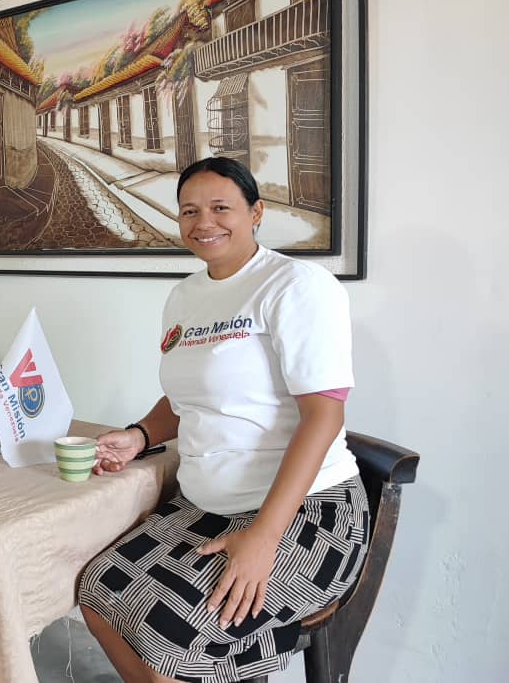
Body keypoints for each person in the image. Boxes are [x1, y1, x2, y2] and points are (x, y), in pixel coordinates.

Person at [78, 157, 369, 683]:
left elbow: (324, 417)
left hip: (303, 513)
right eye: (189, 211)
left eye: (220, 208)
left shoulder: (296, 285)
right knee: (97, 590)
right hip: (204, 507)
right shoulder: (185, 297)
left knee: (168, 637)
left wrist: (264, 537)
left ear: (256, 213)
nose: (203, 222)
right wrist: (139, 435)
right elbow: (186, 398)